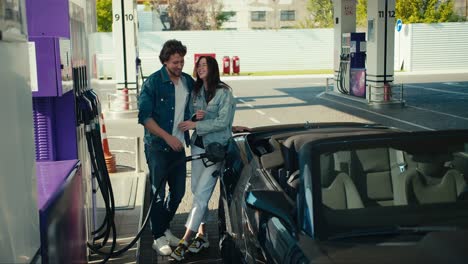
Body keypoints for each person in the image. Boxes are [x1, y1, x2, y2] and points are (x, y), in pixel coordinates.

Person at [171, 56, 236, 261]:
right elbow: (192, 116)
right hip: (198, 148)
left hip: (215, 151)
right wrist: (193, 119)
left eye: (204, 65)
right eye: (198, 66)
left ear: (213, 68)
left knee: (201, 195)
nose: (200, 68)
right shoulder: (197, 92)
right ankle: (203, 235)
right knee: (196, 191)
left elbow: (223, 121)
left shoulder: (225, 93)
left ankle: (185, 240)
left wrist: (196, 125)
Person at [137, 39, 195, 256]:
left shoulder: (187, 81)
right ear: (165, 62)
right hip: (157, 147)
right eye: (175, 62)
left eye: (181, 61)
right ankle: (157, 236)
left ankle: (164, 228)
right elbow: (144, 117)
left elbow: (201, 105)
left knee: (179, 192)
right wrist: (167, 137)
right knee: (158, 194)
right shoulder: (152, 83)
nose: (179, 66)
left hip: (179, 147)